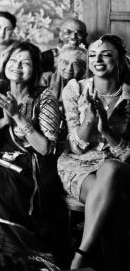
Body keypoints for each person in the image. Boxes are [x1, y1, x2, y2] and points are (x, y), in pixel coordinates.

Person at [0, 41, 66, 263]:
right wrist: (4, 120)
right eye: (13, 60)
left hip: (31, 164)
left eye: (25, 62)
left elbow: (45, 148)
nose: (17, 66)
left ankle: (16, 252)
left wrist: (17, 116)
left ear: (35, 69)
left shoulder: (44, 98)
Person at [57, 35, 130, 271]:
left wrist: (107, 130)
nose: (97, 59)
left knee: (111, 167)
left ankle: (80, 256)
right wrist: (88, 119)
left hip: (119, 167)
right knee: (116, 203)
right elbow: (76, 146)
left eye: (106, 54)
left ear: (120, 59)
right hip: (79, 164)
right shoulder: (75, 89)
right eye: (92, 55)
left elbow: (128, 154)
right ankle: (108, 264)